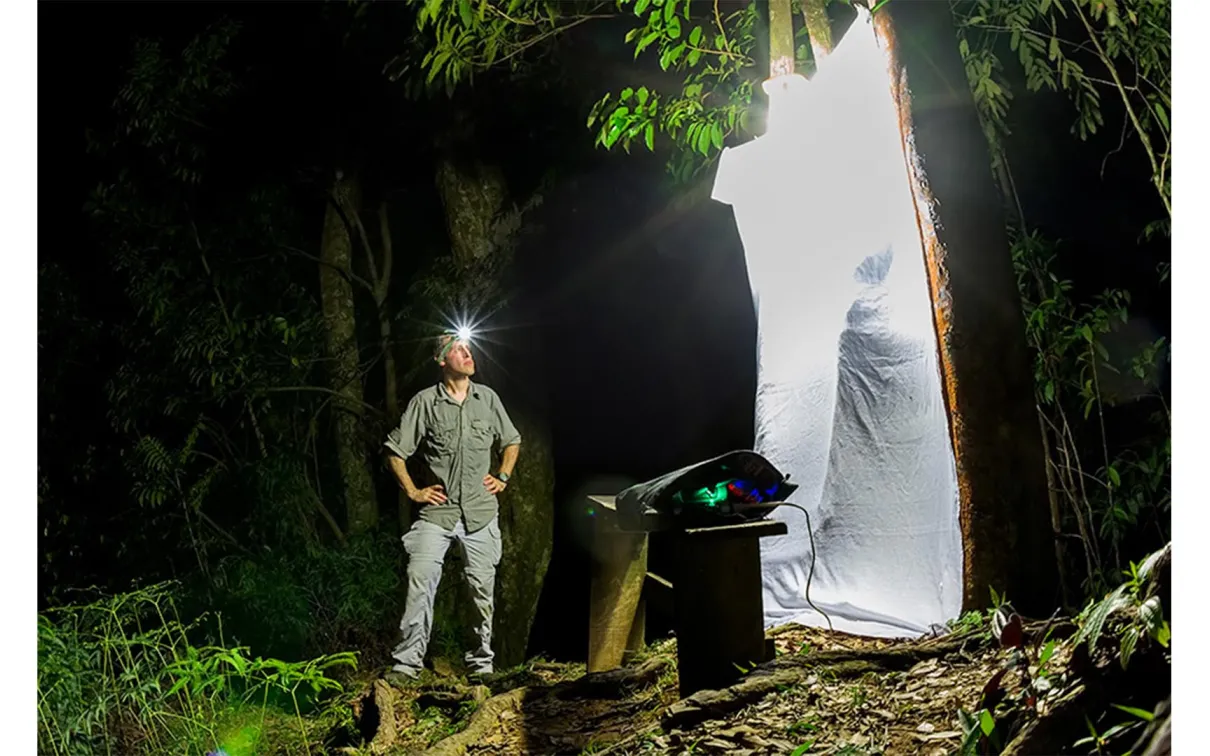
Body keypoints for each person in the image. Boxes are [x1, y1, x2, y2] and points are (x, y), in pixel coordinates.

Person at [383, 333, 521, 681]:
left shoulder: (487, 399)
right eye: (458, 350)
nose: (467, 353)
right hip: (438, 513)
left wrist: (502, 475)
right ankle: (406, 664)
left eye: (468, 348)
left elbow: (512, 440)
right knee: (420, 577)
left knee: (481, 590)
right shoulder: (425, 403)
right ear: (442, 361)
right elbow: (395, 451)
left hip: (480, 512)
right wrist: (414, 491)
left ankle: (480, 665)